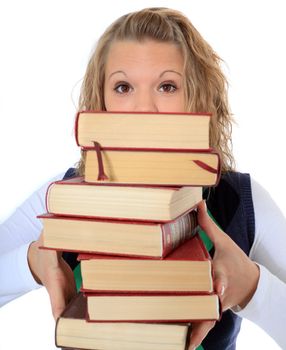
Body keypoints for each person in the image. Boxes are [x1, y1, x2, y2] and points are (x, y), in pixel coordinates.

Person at [0, 7, 286, 350]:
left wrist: (255, 289)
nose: (143, 108)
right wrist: (29, 263)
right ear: (101, 101)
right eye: (123, 87)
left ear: (197, 98)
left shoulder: (243, 200)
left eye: (167, 86)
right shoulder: (62, 197)